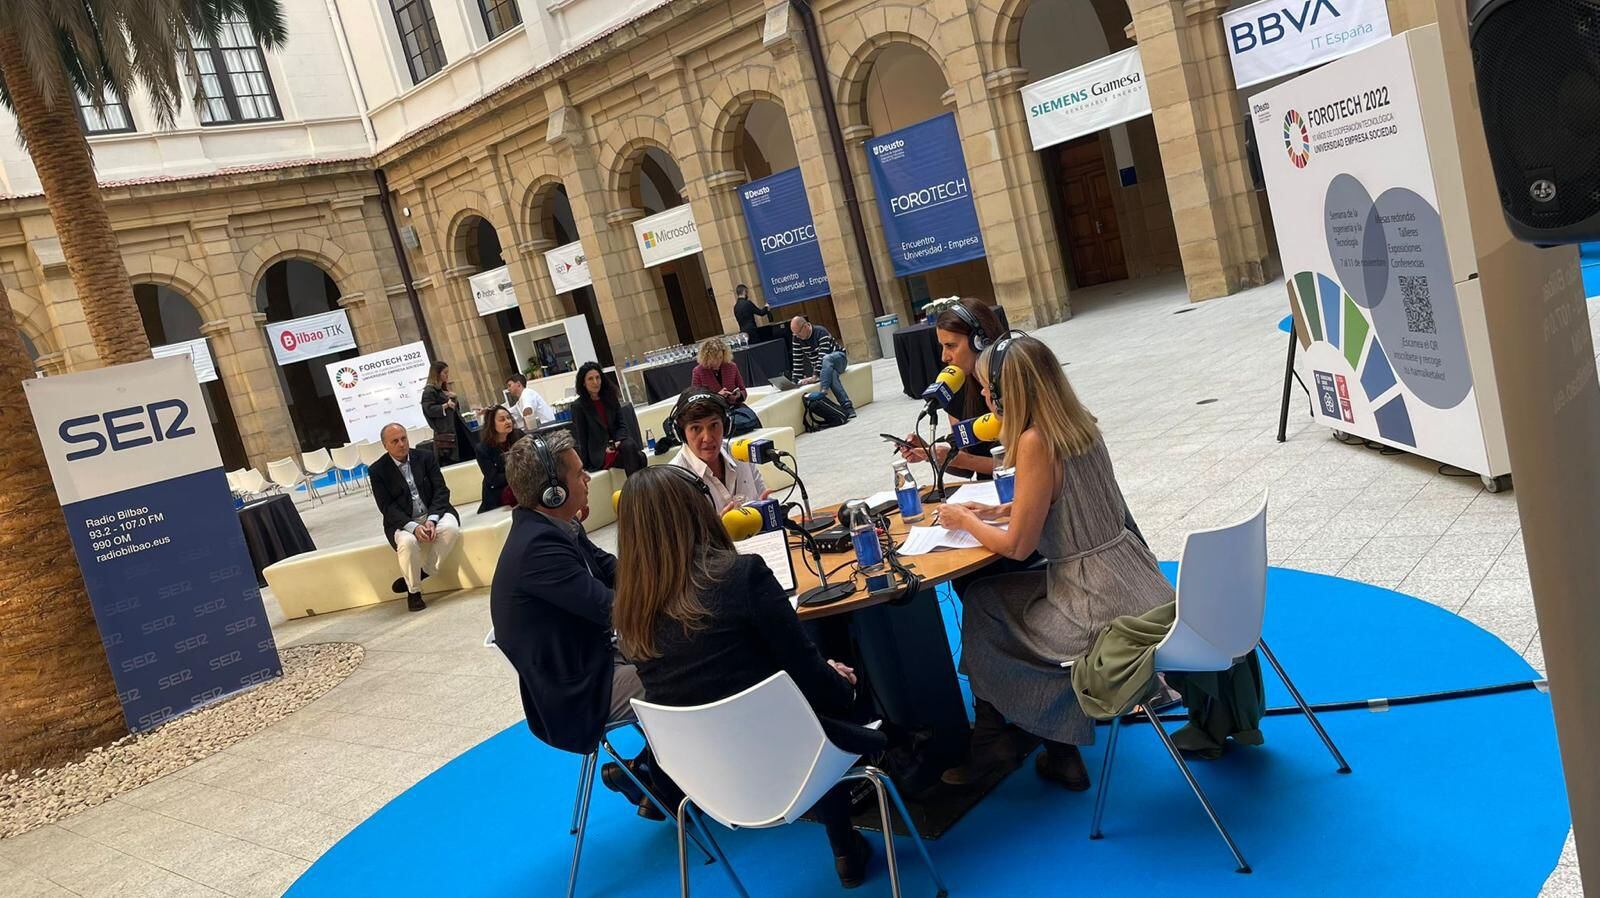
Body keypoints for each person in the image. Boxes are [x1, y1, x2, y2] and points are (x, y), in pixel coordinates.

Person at [613, 466, 877, 888]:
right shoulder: (742, 577)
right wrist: (839, 680)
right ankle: (846, 843)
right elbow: (812, 681)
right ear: (697, 510)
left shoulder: (631, 615)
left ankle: (846, 844)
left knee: (793, 703)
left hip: (712, 785)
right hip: (797, 759)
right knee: (837, 681)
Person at [934, 334, 1172, 790]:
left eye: (989, 388)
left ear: (1010, 391)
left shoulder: (1032, 441)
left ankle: (998, 745)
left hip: (1094, 602)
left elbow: (1018, 548)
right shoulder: (1078, 423)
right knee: (989, 597)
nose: (983, 396)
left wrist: (963, 516)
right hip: (1139, 581)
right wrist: (1001, 510)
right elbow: (1069, 502)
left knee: (983, 606)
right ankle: (1045, 746)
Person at [489, 432, 669, 819]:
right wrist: (673, 600)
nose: (587, 478)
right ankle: (657, 777)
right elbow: (611, 608)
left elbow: (613, 570)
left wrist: (667, 578)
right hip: (578, 692)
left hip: (591, 661)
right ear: (553, 492)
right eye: (578, 473)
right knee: (686, 672)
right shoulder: (537, 548)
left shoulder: (554, 527)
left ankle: (648, 774)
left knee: (687, 652)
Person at [900, 298, 1004, 479]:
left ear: (980, 342)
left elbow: (1024, 464)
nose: (944, 357)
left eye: (950, 346)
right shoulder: (955, 387)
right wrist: (930, 452)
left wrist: (962, 460)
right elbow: (966, 467)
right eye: (942, 347)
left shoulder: (1015, 382)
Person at [369, 422, 462, 613]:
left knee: (450, 529)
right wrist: (413, 527)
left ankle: (425, 572)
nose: (401, 444)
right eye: (395, 441)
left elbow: (441, 490)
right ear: (385, 445)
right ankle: (414, 591)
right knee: (408, 543)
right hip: (402, 522)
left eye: (404, 438)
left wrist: (432, 520)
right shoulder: (377, 470)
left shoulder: (425, 457)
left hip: (434, 513)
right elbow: (387, 507)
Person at [668, 388, 768, 512]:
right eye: (696, 428)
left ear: (726, 426)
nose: (707, 438)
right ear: (681, 434)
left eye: (714, 425)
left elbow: (762, 499)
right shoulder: (674, 479)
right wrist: (718, 529)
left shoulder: (740, 454)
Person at [570, 361, 647, 475]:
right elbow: (582, 437)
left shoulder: (610, 397)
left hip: (618, 444)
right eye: (590, 379)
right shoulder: (578, 406)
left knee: (629, 445)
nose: (595, 382)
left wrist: (618, 441)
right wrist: (585, 465)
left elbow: (621, 424)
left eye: (598, 378)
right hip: (601, 451)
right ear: (583, 383)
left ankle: (635, 490)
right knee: (640, 458)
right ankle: (638, 490)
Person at [690, 337, 761, 435]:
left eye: (720, 357)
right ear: (706, 357)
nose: (717, 361)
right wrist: (717, 397)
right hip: (714, 412)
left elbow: (743, 390)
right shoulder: (698, 371)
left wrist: (738, 395)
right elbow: (695, 400)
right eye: (714, 359)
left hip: (734, 407)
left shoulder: (731, 367)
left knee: (753, 421)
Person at [789, 316, 854, 419]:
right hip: (825, 369)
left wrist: (815, 376)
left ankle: (823, 391)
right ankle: (848, 407)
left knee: (827, 359)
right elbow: (797, 360)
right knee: (830, 373)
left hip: (839, 359)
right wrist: (793, 383)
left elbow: (822, 356)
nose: (797, 336)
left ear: (806, 326)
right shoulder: (796, 338)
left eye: (798, 333)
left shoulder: (821, 331)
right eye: (794, 333)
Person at [475, 405, 525, 513]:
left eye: (508, 418)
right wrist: (521, 473)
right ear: (492, 424)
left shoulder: (519, 436)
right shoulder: (483, 449)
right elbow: (494, 479)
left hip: (522, 484)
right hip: (500, 491)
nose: (507, 422)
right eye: (502, 420)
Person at [420, 360, 471, 465]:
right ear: (437, 374)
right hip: (446, 434)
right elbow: (428, 410)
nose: (447, 375)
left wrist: (454, 399)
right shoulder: (429, 391)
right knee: (452, 460)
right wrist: (445, 405)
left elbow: (454, 409)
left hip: (456, 428)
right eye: (445, 373)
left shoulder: (442, 390)